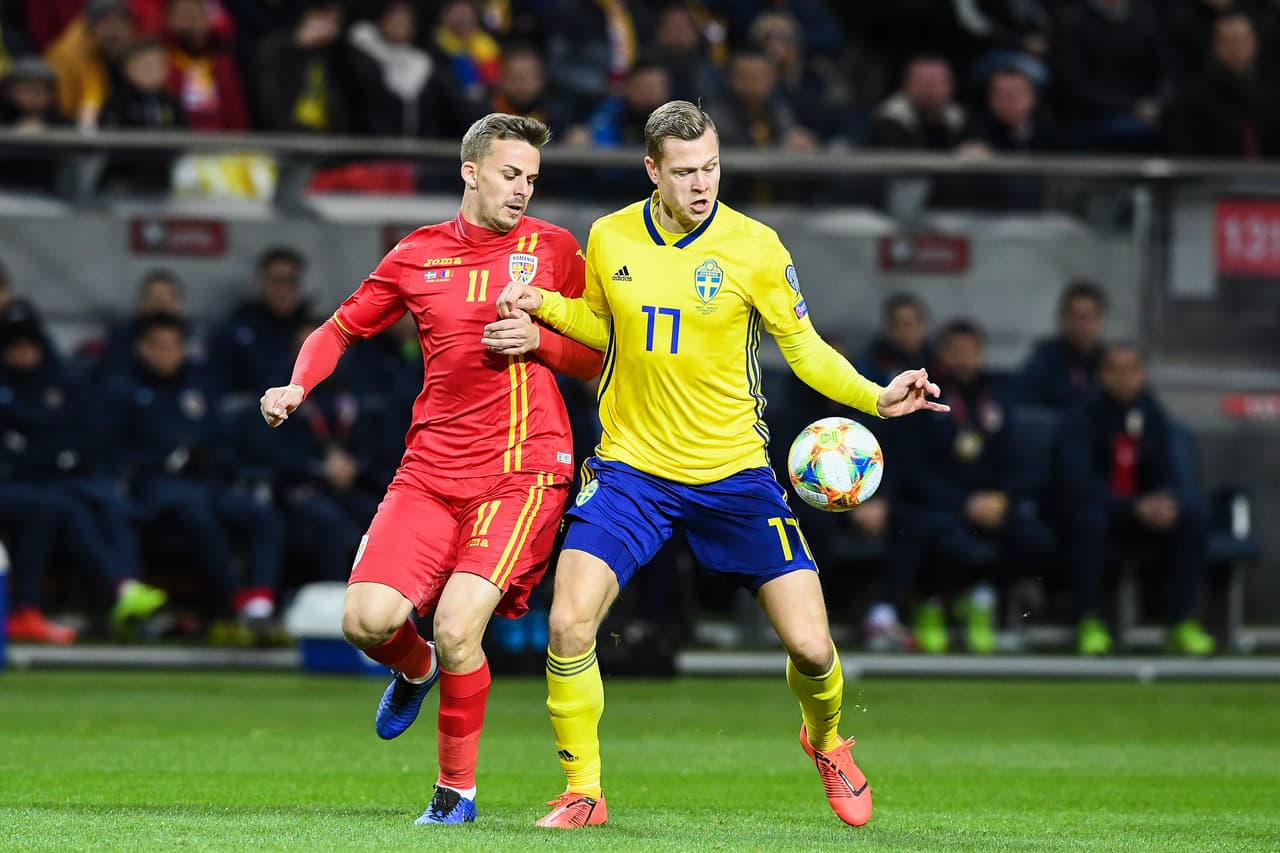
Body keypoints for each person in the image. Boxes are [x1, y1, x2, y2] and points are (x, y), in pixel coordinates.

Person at [495, 100, 947, 829]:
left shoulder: (755, 246)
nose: (701, 184)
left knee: (812, 646)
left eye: (710, 167)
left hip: (734, 473)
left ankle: (827, 740)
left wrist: (875, 395)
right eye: (684, 172)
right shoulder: (610, 235)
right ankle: (584, 791)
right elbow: (603, 328)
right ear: (652, 170)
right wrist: (544, 304)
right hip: (631, 471)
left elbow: (804, 349)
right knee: (570, 624)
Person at [258, 113, 602, 826]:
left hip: (523, 469)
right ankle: (415, 668)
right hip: (431, 469)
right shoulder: (417, 254)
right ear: (470, 171)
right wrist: (297, 385)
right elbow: (339, 329)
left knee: (456, 625)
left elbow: (605, 356)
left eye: (532, 179)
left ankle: (455, 795)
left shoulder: (554, 249)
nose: (522, 190)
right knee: (365, 621)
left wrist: (542, 342)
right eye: (510, 174)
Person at [1058, 342, 1217, 657]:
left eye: (1131, 370)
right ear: (1101, 374)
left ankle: (1181, 622)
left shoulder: (1153, 415)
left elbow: (1169, 471)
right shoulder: (1081, 416)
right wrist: (1131, 507)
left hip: (1143, 516)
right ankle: (1087, 621)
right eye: (1114, 370)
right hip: (1103, 511)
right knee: (1089, 520)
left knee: (1192, 519)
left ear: (1142, 374)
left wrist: (1166, 502)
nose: (1123, 378)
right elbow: (1077, 481)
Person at [1019, 281, 1106, 410]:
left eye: (1087, 317)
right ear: (1062, 318)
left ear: (1100, 320)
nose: (1081, 325)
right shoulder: (1043, 360)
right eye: (1074, 316)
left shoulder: (1109, 362)